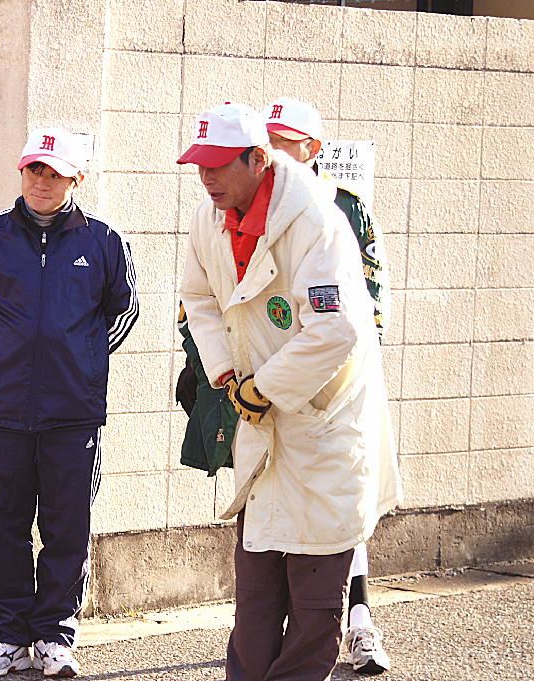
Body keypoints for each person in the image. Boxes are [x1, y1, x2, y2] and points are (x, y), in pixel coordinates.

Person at [177, 102, 401, 681]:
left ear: (258, 159)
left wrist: (268, 386)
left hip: (322, 421)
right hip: (260, 414)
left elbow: (336, 329)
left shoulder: (317, 220)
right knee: (255, 593)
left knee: (315, 603)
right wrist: (226, 374)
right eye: (199, 164)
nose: (206, 177)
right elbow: (198, 298)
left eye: (218, 165)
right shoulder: (208, 218)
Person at [0, 128, 139, 678]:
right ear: (22, 170)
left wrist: (81, 362)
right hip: (3, 410)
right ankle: (5, 636)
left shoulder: (104, 242)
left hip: (73, 413)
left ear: (77, 179)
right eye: (35, 168)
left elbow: (123, 310)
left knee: (67, 526)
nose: (42, 180)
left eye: (55, 173)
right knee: (1, 524)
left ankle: (55, 635)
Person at [264, 96, 391, 675]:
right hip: (267, 389)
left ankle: (359, 623)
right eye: (267, 141)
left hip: (331, 389)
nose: (272, 151)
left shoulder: (344, 206)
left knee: (339, 509)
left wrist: (339, 378)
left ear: (313, 148)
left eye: (285, 142)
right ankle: (276, 635)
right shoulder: (250, 203)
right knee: (277, 516)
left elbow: (369, 301)